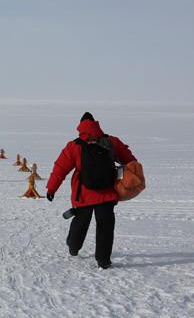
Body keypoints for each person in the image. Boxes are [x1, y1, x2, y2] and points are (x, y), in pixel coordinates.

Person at [45, 112, 136, 269]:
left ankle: (73, 247)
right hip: (107, 193)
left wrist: (51, 189)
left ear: (80, 126)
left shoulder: (74, 145)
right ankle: (103, 260)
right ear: (96, 124)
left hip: (84, 194)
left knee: (80, 223)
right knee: (105, 227)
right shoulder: (112, 141)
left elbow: (60, 168)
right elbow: (130, 160)